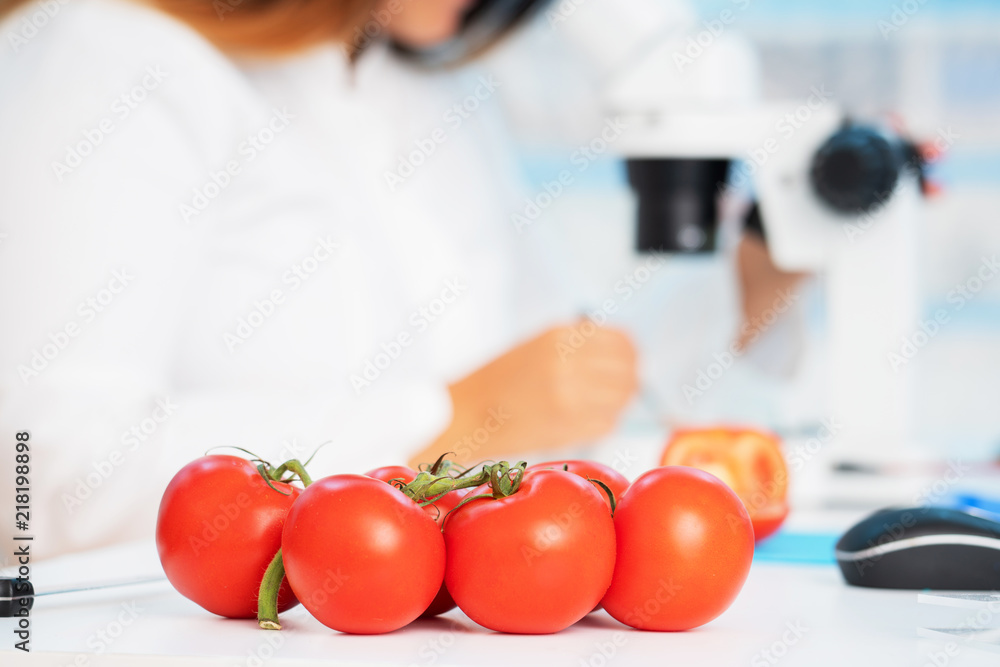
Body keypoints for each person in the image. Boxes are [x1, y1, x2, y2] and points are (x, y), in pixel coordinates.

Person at [0, 0, 640, 558]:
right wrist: (443, 423)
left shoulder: (430, 90)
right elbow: (38, 477)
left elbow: (568, 397)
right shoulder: (102, 55)